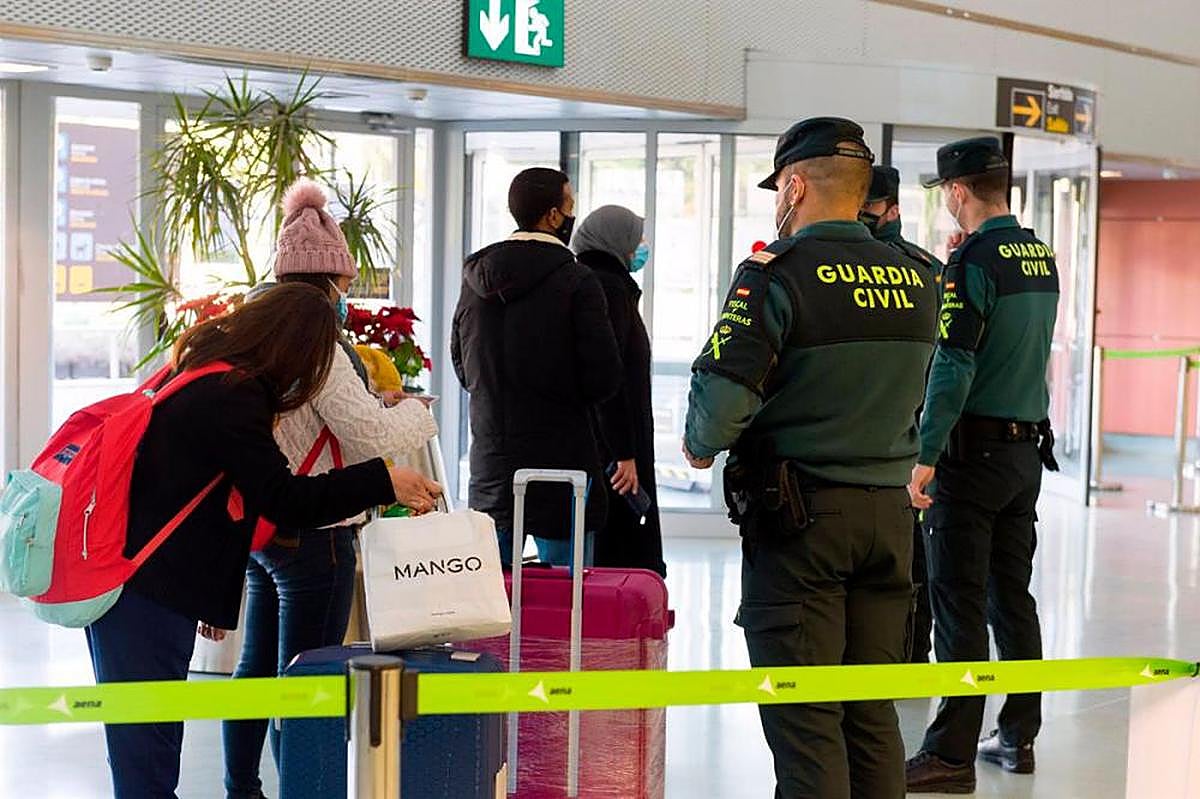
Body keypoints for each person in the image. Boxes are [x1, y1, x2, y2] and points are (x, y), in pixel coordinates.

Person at [85, 283, 442, 799]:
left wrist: (208, 596)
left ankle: (244, 788)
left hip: (137, 583)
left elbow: (205, 496)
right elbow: (283, 499)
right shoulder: (234, 394)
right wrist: (384, 481)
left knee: (148, 749)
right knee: (149, 761)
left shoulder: (204, 371)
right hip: (146, 590)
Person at [682, 117, 937, 799]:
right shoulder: (920, 278)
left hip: (801, 527)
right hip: (890, 523)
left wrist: (699, 445)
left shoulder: (775, 275)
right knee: (872, 716)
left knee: (807, 723)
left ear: (794, 186)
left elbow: (721, 406)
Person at [221, 180, 439, 799]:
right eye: (344, 283)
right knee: (308, 681)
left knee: (256, 670)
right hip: (318, 532)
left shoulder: (252, 330)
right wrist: (417, 412)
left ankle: (242, 789)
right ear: (328, 281)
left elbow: (313, 417)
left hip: (265, 525)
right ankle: (302, 790)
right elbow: (369, 434)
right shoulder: (318, 341)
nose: (347, 296)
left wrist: (376, 401)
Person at [904, 137, 1060, 794]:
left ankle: (950, 753)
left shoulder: (972, 261)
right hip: (1025, 453)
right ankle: (1018, 735)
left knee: (958, 601)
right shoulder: (1039, 255)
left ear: (958, 191)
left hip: (972, 457)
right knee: (1011, 597)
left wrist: (926, 453)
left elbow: (955, 362)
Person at [452, 167, 622, 567]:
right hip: (562, 467)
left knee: (491, 595)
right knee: (566, 597)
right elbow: (603, 377)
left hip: (492, 464)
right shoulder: (578, 281)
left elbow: (462, 364)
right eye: (570, 204)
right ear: (552, 216)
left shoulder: (475, 281)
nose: (573, 214)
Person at [860, 165, 944, 664]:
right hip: (878, 436)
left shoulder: (927, 271)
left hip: (908, 438)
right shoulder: (922, 269)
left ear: (893, 209)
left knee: (912, 558)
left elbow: (945, 365)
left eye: (870, 208)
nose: (862, 216)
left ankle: (911, 651)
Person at [572, 205, 666, 577]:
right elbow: (611, 376)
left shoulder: (602, 284)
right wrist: (625, 452)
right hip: (613, 450)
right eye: (636, 237)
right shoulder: (608, 288)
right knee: (621, 548)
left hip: (609, 442)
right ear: (615, 239)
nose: (641, 246)